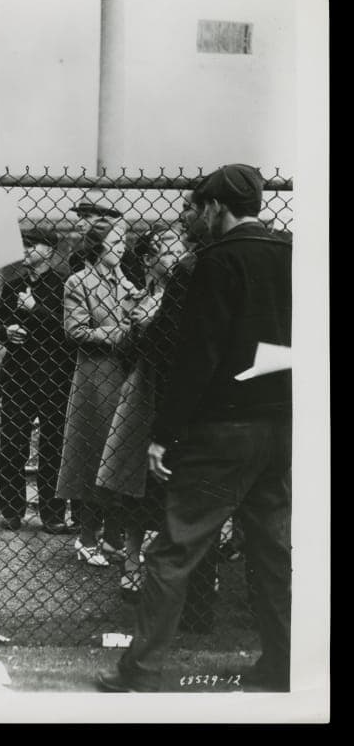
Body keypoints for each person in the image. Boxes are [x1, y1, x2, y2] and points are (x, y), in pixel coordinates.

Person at [98, 164, 292, 693]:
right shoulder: (291, 253)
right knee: (271, 550)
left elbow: (196, 356)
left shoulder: (211, 262)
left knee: (174, 549)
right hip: (280, 424)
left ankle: (140, 671)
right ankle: (282, 664)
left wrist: (164, 433)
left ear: (216, 207)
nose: (192, 217)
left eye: (197, 207)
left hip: (220, 430)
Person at [94, 223, 187, 599]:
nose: (178, 256)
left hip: (177, 396)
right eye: (170, 249)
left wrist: (152, 325)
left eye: (180, 248)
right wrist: (135, 329)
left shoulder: (189, 293)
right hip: (143, 398)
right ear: (149, 260)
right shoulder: (137, 298)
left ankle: (187, 570)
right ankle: (132, 565)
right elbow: (122, 351)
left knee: (180, 485)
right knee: (136, 486)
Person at [56, 217, 140, 566]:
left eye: (123, 241)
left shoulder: (127, 282)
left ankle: (113, 538)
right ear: (97, 245)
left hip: (125, 376)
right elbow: (75, 331)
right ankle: (87, 538)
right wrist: (120, 333)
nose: (122, 247)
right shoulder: (79, 282)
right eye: (115, 241)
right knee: (95, 456)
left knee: (121, 458)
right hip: (96, 378)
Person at [0, 232, 77, 533]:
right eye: (22, 245)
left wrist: (34, 309)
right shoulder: (13, 285)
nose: (24, 250)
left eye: (31, 245)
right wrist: (6, 331)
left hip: (55, 379)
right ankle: (12, 511)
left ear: (49, 251)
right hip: (18, 378)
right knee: (12, 448)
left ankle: (52, 515)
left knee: (53, 450)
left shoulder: (65, 284)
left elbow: (68, 330)